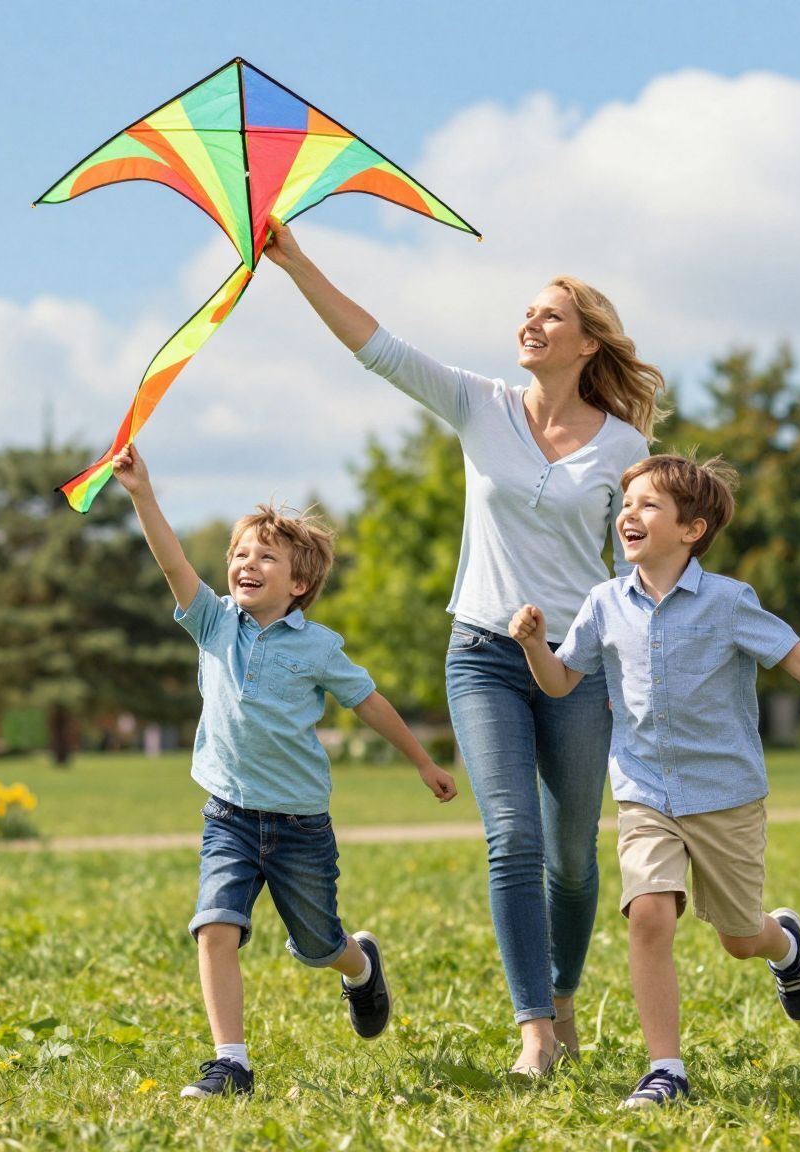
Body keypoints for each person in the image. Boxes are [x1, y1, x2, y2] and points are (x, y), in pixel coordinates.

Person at [264, 217, 660, 1076]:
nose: (530, 324)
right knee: (511, 836)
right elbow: (379, 347)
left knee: (572, 859)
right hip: (483, 653)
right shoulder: (479, 404)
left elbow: (646, 549)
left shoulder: (625, 448)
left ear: (588, 342)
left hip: (577, 665)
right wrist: (297, 262)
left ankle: (562, 994)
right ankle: (535, 1032)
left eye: (550, 316)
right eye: (526, 313)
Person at [507, 454, 800, 1108]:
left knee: (738, 937)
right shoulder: (604, 603)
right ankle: (666, 1069)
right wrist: (533, 646)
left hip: (725, 796)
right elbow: (560, 681)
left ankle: (783, 942)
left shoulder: (728, 602)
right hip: (644, 793)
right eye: (625, 503)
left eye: (647, 505)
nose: (628, 514)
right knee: (649, 915)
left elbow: (797, 655)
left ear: (691, 529)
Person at [111, 445, 459, 1100]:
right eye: (241, 554)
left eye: (266, 557)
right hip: (229, 817)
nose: (247, 563)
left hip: (300, 825)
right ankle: (231, 1064)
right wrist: (141, 493)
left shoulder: (318, 647)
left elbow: (370, 703)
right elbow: (171, 560)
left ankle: (360, 966)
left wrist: (422, 761)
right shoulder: (214, 623)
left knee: (319, 943)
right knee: (214, 927)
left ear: (298, 583)